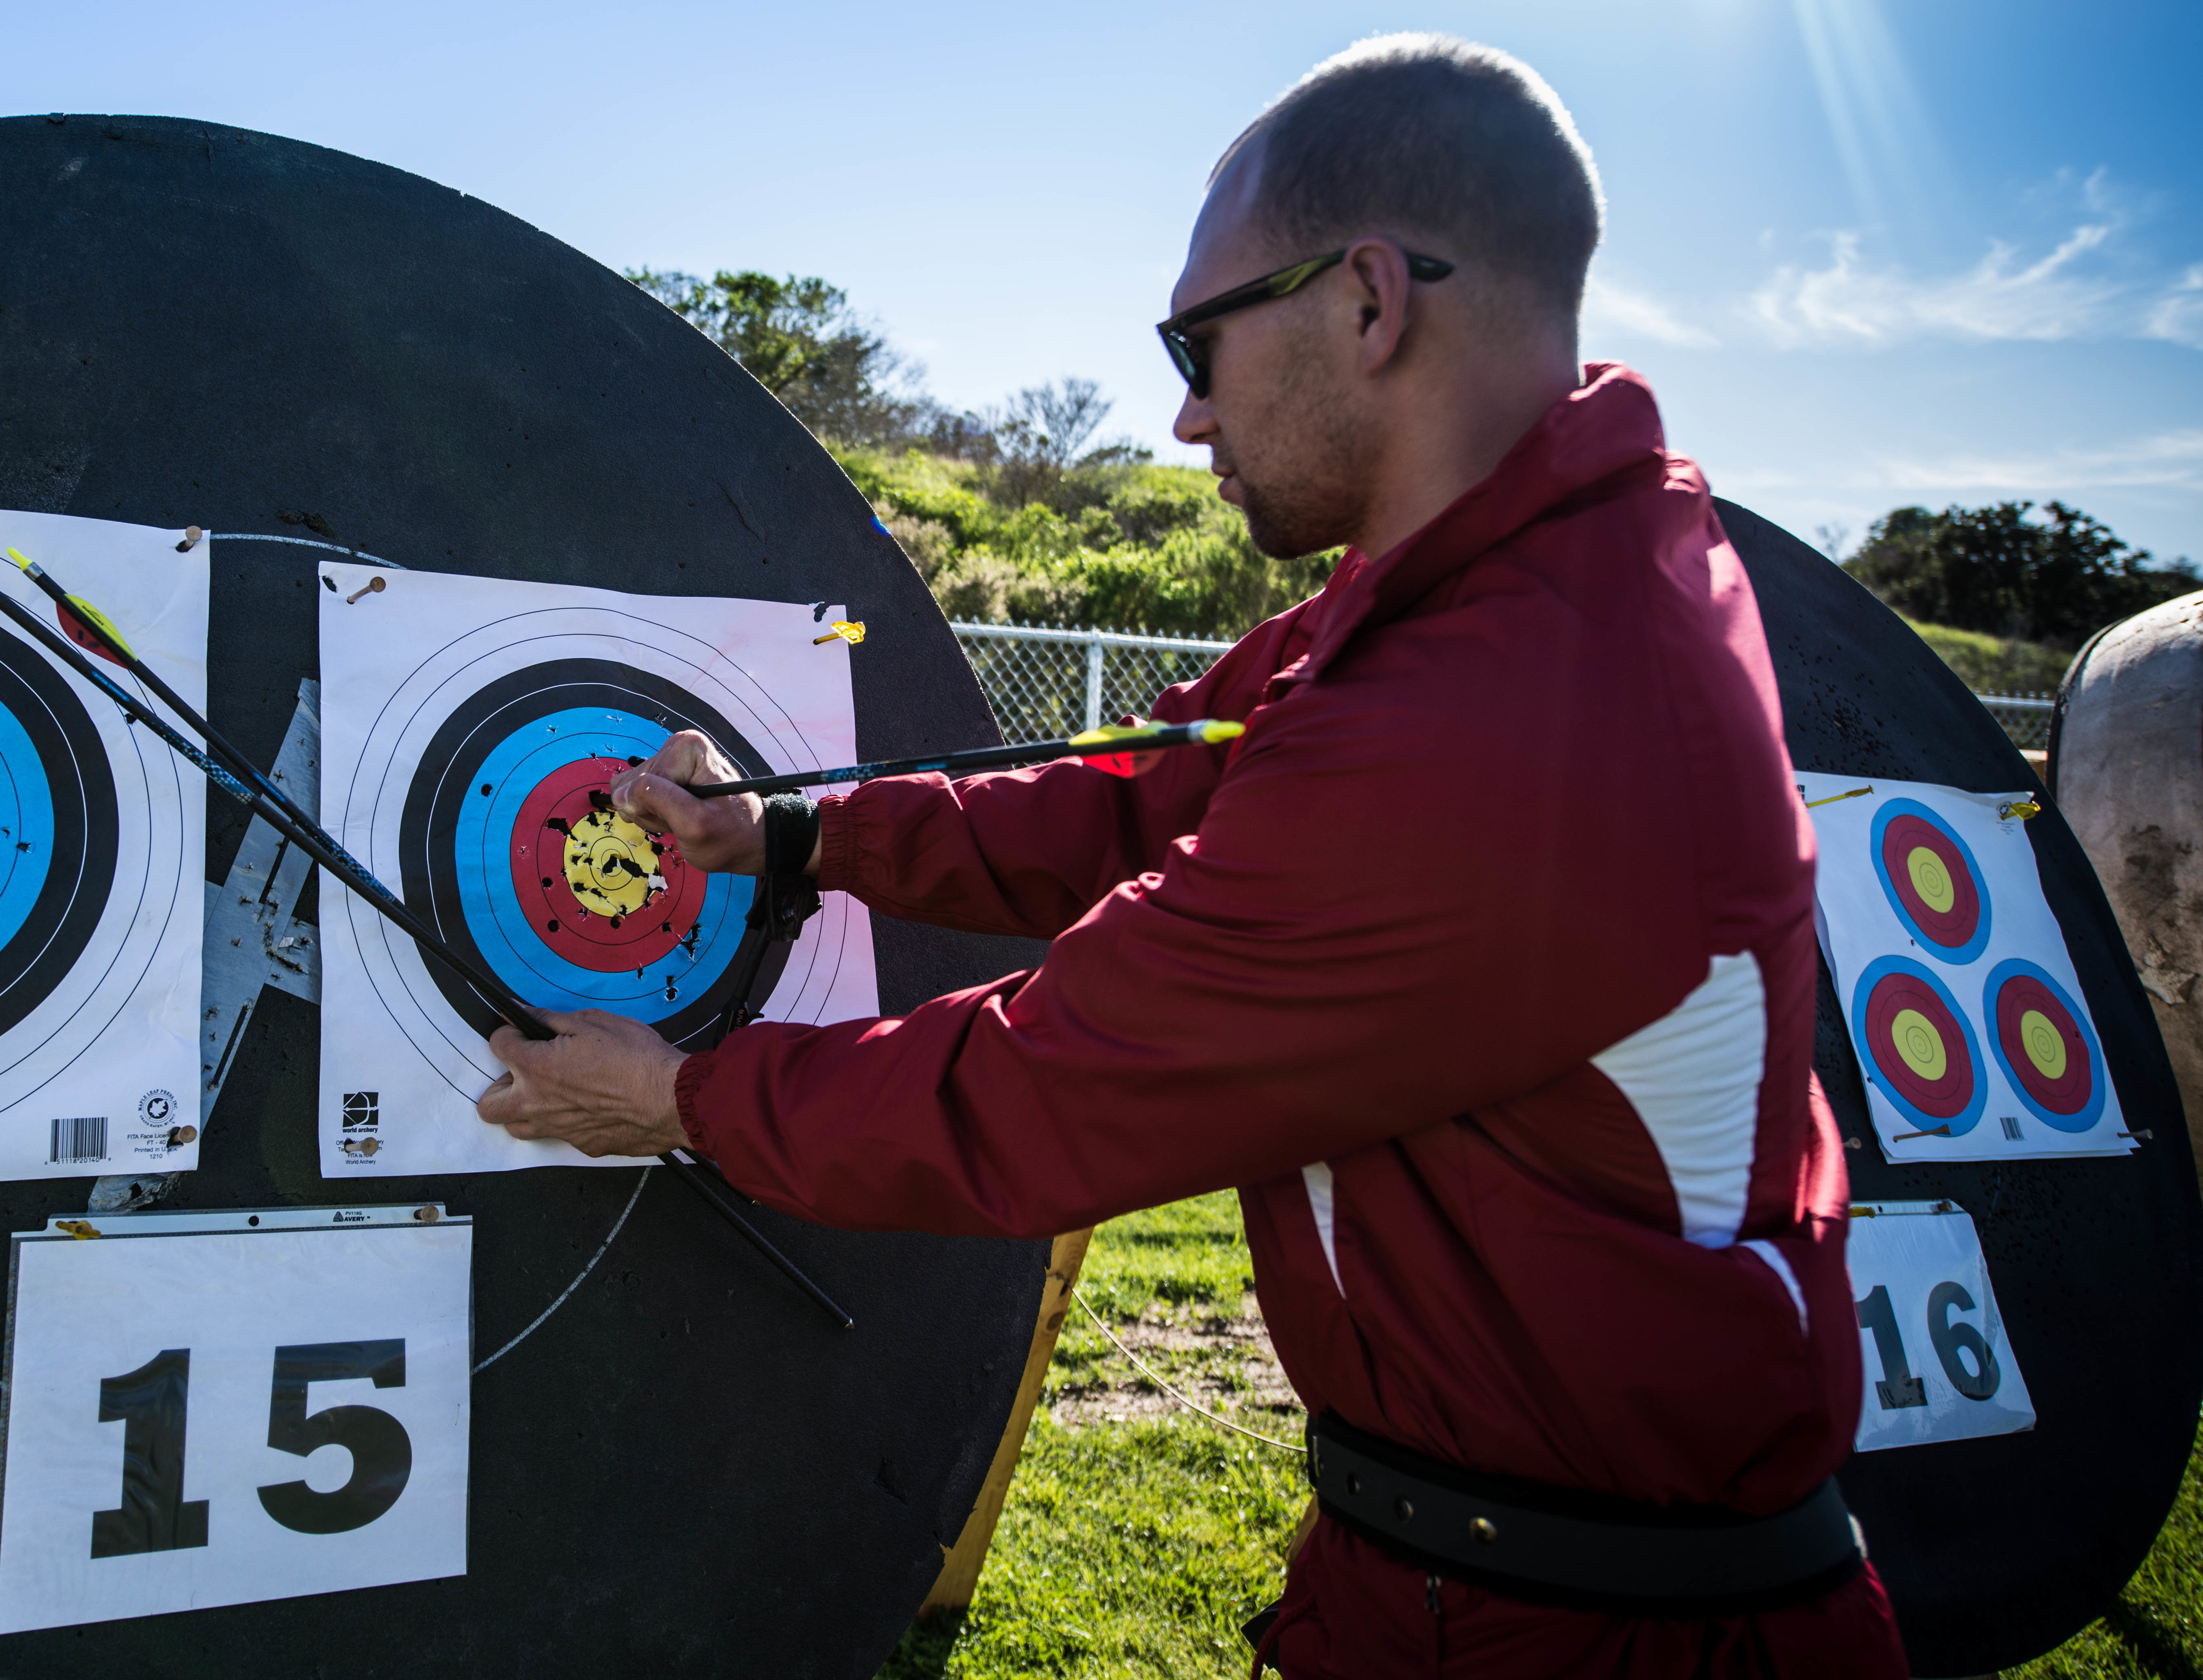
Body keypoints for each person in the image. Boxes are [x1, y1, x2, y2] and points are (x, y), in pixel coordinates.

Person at [476, 32, 1906, 1679]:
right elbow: (1115, 807)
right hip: (1446, 1573)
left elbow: (1054, 1085)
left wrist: (675, 1100)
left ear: (1368, 301)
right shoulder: (1440, 615)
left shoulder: (1509, 706)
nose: (1177, 411)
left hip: (1617, 1634)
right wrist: (784, 837)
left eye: (1199, 340)